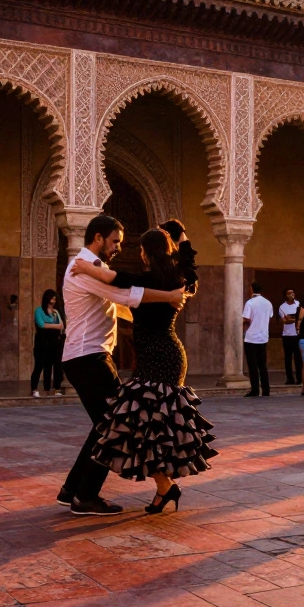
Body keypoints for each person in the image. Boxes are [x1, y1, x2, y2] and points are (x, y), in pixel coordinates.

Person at [72, 224, 217, 510]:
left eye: (140, 249)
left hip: (156, 359)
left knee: (141, 427)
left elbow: (112, 277)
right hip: (170, 355)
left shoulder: (145, 279)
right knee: (149, 427)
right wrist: (181, 235)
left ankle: (166, 488)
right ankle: (166, 489)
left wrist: (85, 268)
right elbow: (190, 262)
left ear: (145, 253)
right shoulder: (180, 278)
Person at [56, 215, 187, 517]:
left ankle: (72, 490)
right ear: (98, 238)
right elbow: (125, 295)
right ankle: (85, 496)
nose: (117, 248)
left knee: (105, 424)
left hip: (88, 356)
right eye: (114, 242)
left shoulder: (90, 266)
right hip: (88, 357)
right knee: (116, 425)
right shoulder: (85, 267)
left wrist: (151, 319)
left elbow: (117, 306)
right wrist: (169, 297)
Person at [31, 289, 65, 397]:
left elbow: (61, 325)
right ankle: (35, 388)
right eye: (51, 298)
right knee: (40, 365)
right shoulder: (39, 310)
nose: (53, 301)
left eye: (55, 299)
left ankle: (57, 388)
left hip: (55, 341)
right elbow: (41, 324)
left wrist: (52, 323)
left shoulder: (56, 311)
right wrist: (54, 326)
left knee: (57, 364)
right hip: (42, 341)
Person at [242, 282, 273, 398]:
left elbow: (246, 318)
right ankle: (266, 389)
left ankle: (255, 389)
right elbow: (269, 317)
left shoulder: (250, 303)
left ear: (251, 289)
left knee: (252, 365)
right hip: (263, 337)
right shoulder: (268, 303)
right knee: (262, 365)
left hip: (251, 337)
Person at [278, 289, 303, 386]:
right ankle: (290, 379)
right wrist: (295, 319)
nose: (291, 295)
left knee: (298, 358)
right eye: (289, 293)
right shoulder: (282, 307)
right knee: (288, 358)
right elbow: (284, 321)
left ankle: (299, 378)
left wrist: (290, 318)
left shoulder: (298, 304)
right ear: (285, 295)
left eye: (292, 293)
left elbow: (301, 318)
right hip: (287, 335)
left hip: (297, 334)